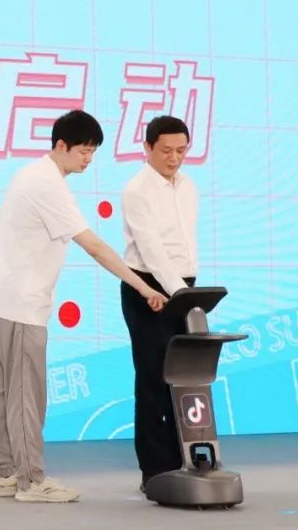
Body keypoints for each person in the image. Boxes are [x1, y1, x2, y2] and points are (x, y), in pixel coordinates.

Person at [0, 109, 168, 503]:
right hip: (22, 305)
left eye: (93, 152)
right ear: (61, 146)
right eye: (83, 151)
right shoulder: (48, 185)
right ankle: (31, 482)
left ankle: (5, 474)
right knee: (26, 395)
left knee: (1, 392)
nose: (88, 159)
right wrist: (142, 285)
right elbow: (94, 246)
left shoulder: (29, 174)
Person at [119, 115, 198, 493]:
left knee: (184, 377)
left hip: (183, 286)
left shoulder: (189, 186)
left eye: (181, 150)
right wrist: (182, 295)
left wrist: (188, 290)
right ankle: (153, 469)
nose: (174, 158)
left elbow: (185, 245)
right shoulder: (137, 190)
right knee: (152, 377)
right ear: (148, 147)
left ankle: (184, 458)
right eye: (166, 150)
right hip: (147, 286)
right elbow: (152, 252)